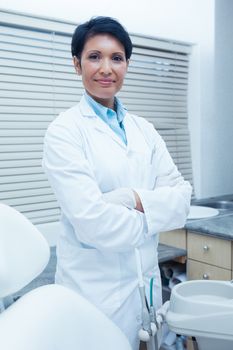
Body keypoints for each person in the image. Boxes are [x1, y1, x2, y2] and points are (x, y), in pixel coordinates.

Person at [42, 16, 192, 350]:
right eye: (94, 57)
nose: (106, 68)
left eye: (116, 58)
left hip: (146, 284)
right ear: (76, 64)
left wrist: (128, 197)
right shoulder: (64, 131)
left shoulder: (145, 130)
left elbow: (182, 201)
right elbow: (93, 224)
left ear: (127, 65)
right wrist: (153, 214)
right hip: (95, 292)